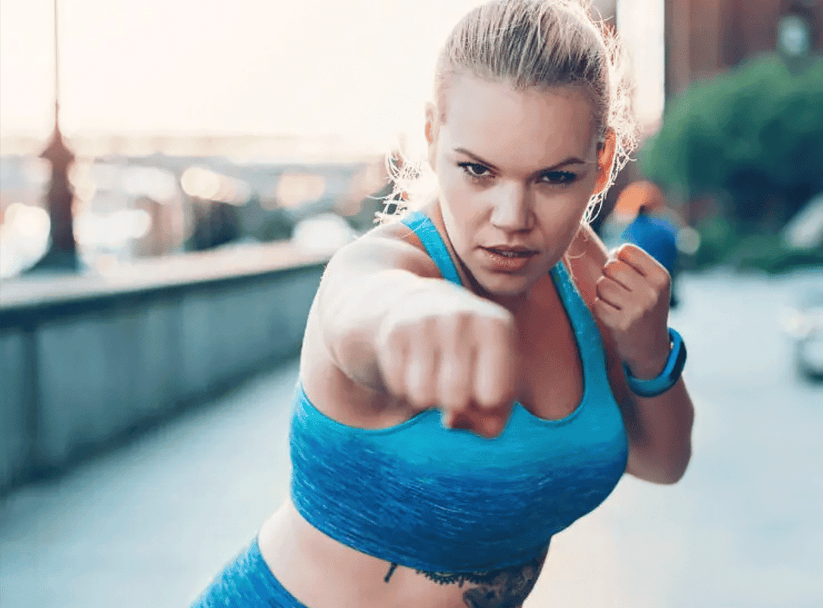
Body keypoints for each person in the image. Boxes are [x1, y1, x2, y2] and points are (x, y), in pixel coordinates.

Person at [191, 1, 694, 607]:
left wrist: (649, 354)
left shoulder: (584, 272)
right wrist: (419, 319)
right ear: (432, 138)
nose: (512, 220)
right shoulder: (384, 268)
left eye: (554, 178)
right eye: (479, 170)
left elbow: (664, 461)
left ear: (603, 160)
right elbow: (362, 304)